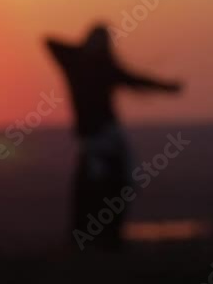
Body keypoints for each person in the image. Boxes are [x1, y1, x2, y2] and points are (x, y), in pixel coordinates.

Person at [45, 24, 183, 250]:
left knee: (117, 183)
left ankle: (108, 235)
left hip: (109, 137)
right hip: (92, 140)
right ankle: (84, 235)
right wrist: (85, 50)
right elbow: (49, 41)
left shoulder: (103, 68)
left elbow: (137, 80)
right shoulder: (78, 64)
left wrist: (167, 87)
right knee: (92, 186)